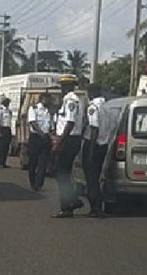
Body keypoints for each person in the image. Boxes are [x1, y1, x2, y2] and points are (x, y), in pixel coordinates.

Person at [51, 75, 84, 218]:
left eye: (64, 86)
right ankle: (71, 202)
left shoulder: (71, 100)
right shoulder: (74, 100)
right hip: (70, 139)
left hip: (68, 140)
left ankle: (67, 206)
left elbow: (69, 123)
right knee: (63, 172)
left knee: (61, 173)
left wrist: (59, 142)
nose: (62, 89)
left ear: (69, 86)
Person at [82, 83, 107, 218]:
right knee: (96, 177)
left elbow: (94, 128)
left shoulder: (93, 107)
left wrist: (91, 149)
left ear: (91, 93)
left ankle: (95, 208)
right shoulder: (107, 106)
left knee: (91, 178)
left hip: (93, 144)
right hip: (104, 144)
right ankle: (99, 205)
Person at [27, 93, 52, 191]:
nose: (49, 101)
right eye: (47, 99)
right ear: (42, 99)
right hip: (36, 137)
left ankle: (38, 184)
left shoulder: (48, 111)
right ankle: (32, 182)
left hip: (46, 138)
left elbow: (50, 125)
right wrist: (41, 134)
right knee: (33, 161)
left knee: (43, 162)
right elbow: (33, 123)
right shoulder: (33, 109)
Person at [0, 97, 12, 168]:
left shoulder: (8, 110)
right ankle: (0, 163)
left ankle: (4, 162)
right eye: (7, 102)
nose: (8, 104)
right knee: (1, 147)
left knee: (6, 147)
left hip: (8, 128)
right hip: (2, 129)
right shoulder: (0, 109)